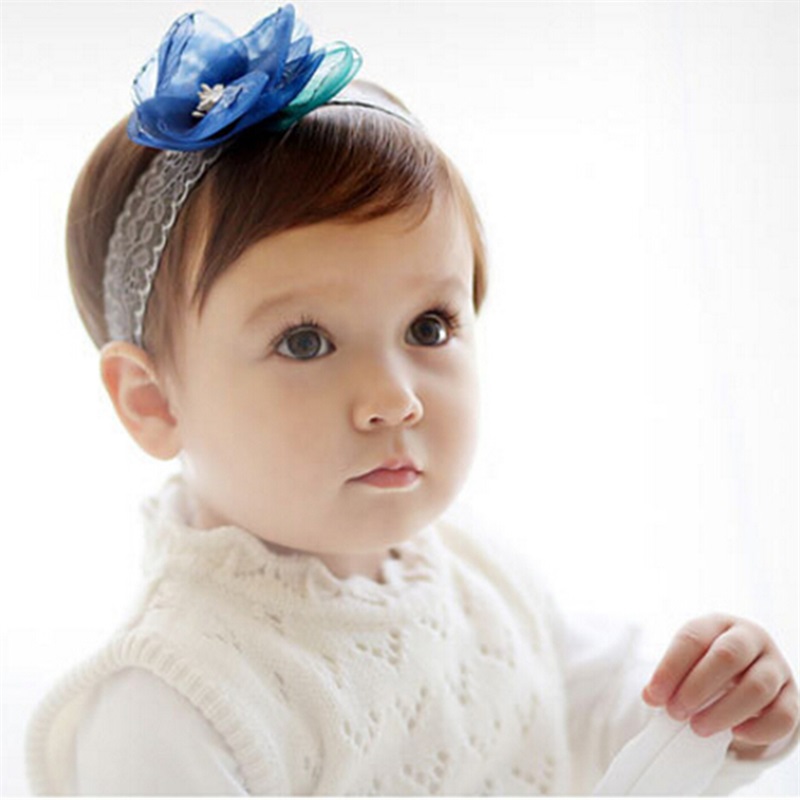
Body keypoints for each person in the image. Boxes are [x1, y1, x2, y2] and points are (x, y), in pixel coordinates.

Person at [25, 3, 798, 795]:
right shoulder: (172, 703)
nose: (393, 399)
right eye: (305, 341)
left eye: (429, 327)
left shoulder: (474, 572)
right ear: (154, 402)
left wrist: (716, 709)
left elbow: (602, 714)